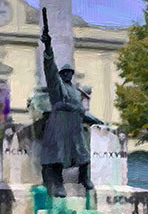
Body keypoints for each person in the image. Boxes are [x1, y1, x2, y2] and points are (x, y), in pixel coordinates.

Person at [40, 11, 104, 197]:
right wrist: (48, 47)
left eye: (70, 72)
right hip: (59, 124)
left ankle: (84, 178)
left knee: (83, 154)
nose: (68, 74)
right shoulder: (57, 87)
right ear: (61, 74)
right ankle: (59, 184)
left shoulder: (75, 91)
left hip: (74, 125)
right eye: (65, 72)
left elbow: (81, 112)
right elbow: (49, 69)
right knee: (58, 155)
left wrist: (98, 120)